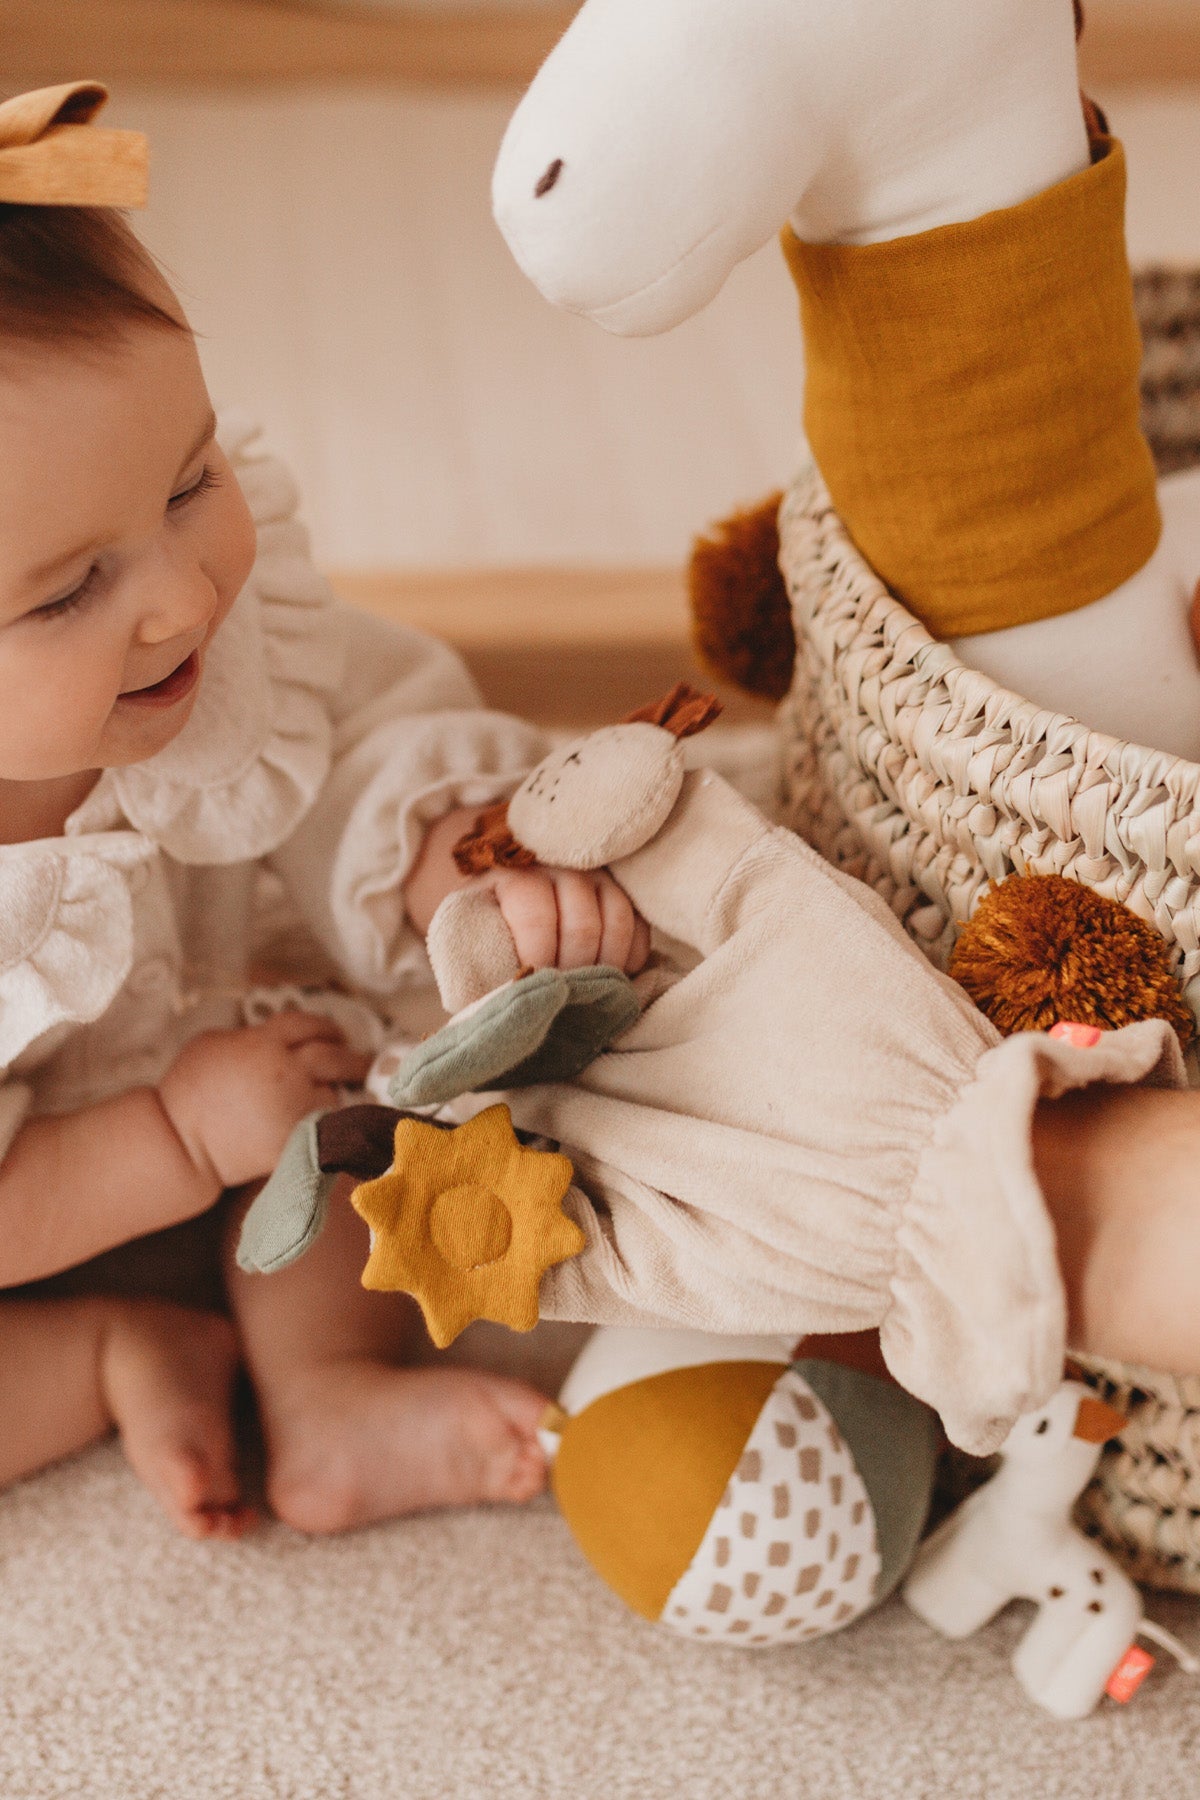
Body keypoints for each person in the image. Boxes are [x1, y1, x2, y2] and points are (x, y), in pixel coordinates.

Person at [0, 83, 648, 1540]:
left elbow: (362, 736)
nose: (180, 597)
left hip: (278, 1106)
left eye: (189, 482)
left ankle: (325, 1393)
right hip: (39, 1214)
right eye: (64, 593)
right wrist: (172, 1133)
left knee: (372, 1115)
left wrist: (447, 859)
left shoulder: (224, 645)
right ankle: (109, 1354)